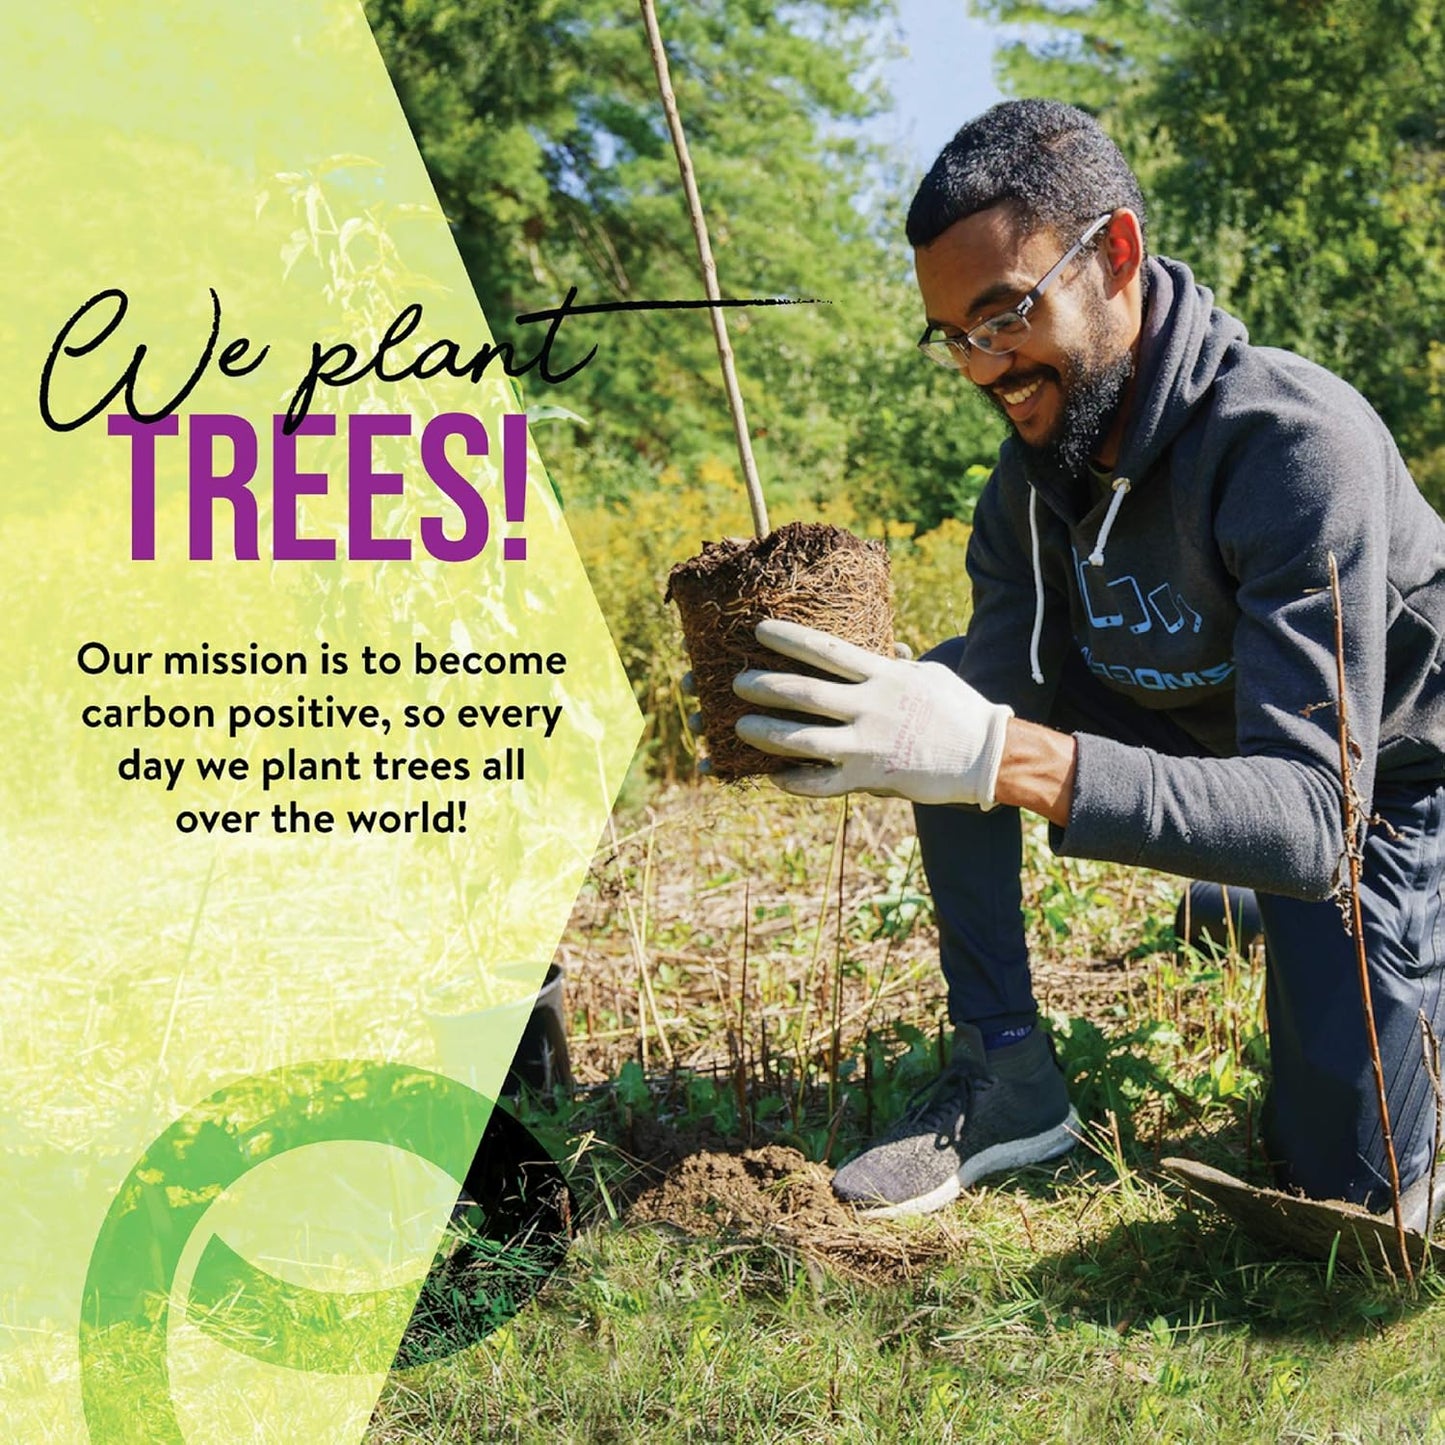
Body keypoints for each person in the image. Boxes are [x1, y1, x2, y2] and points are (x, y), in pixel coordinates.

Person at [728, 99, 1445, 1227]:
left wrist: (997, 753)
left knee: (1347, 1186)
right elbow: (982, 715)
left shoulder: (1292, 449)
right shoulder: (1022, 490)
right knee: (950, 684)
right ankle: (1006, 1073)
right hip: (1233, 748)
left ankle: (1281, 912)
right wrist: (903, 727)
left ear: (1113, 254)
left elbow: (1312, 816)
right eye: (950, 335)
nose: (980, 366)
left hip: (1390, 783)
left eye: (1003, 313)